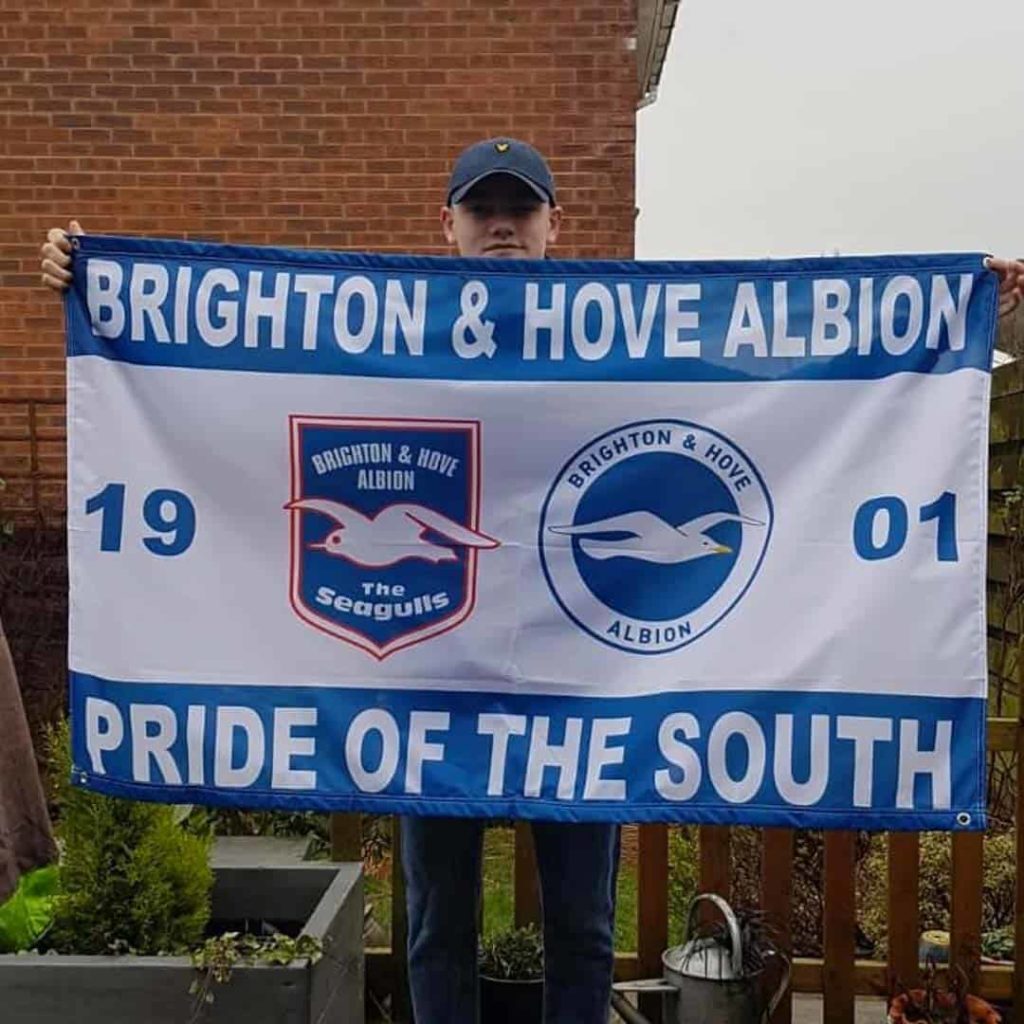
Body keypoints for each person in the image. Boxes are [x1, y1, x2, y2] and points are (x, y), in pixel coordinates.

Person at [37, 139, 1024, 1024]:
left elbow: (806, 348)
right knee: (437, 923)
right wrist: (91, 280)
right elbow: (238, 403)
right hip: (426, 686)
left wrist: (956, 302)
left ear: (558, 222)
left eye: (520, 207)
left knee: (583, 928)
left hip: (588, 690)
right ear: (449, 224)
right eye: (482, 207)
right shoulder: (380, 342)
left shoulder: (638, 337)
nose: (501, 223)